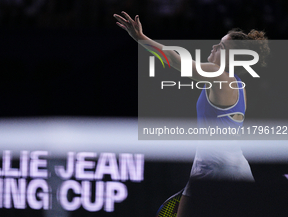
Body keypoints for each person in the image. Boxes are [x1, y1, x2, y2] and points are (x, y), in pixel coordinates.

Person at [113, 11, 270, 217]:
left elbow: (176, 62)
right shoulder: (239, 86)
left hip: (224, 172)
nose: (214, 47)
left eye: (221, 46)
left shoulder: (221, 78)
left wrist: (141, 38)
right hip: (214, 168)